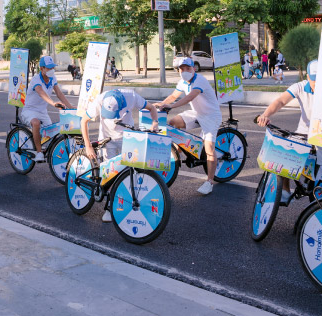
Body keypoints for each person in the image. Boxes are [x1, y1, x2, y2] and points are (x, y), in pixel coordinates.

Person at [256, 60, 322, 203]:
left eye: (320, 79)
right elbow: (281, 101)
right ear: (308, 77)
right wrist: (265, 115)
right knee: (283, 154)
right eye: (314, 79)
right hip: (303, 133)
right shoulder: (300, 87)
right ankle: (285, 191)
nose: (317, 83)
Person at [82, 89, 159, 222]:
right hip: (107, 139)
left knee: (129, 171)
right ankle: (109, 207)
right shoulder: (100, 100)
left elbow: (152, 108)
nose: (111, 117)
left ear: (122, 105)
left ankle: (129, 199)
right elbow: (84, 120)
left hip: (127, 137)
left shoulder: (132, 96)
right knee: (109, 175)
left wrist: (155, 123)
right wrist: (88, 145)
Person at [155, 57, 222, 195]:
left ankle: (209, 182)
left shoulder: (200, 80)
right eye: (182, 69)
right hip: (196, 113)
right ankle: (180, 149)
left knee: (209, 149)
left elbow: (189, 97)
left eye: (188, 68)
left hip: (211, 116)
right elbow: (173, 96)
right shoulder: (182, 82)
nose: (185, 71)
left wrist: (172, 106)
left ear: (194, 69)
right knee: (172, 123)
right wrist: (162, 104)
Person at [20, 55, 74, 162]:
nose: (52, 70)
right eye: (49, 68)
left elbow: (59, 93)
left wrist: (71, 107)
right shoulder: (36, 79)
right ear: (42, 68)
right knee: (36, 123)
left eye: (52, 67)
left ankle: (45, 149)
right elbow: (41, 93)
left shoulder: (53, 78)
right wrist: (53, 103)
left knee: (51, 135)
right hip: (29, 111)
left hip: (43, 112)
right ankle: (39, 153)